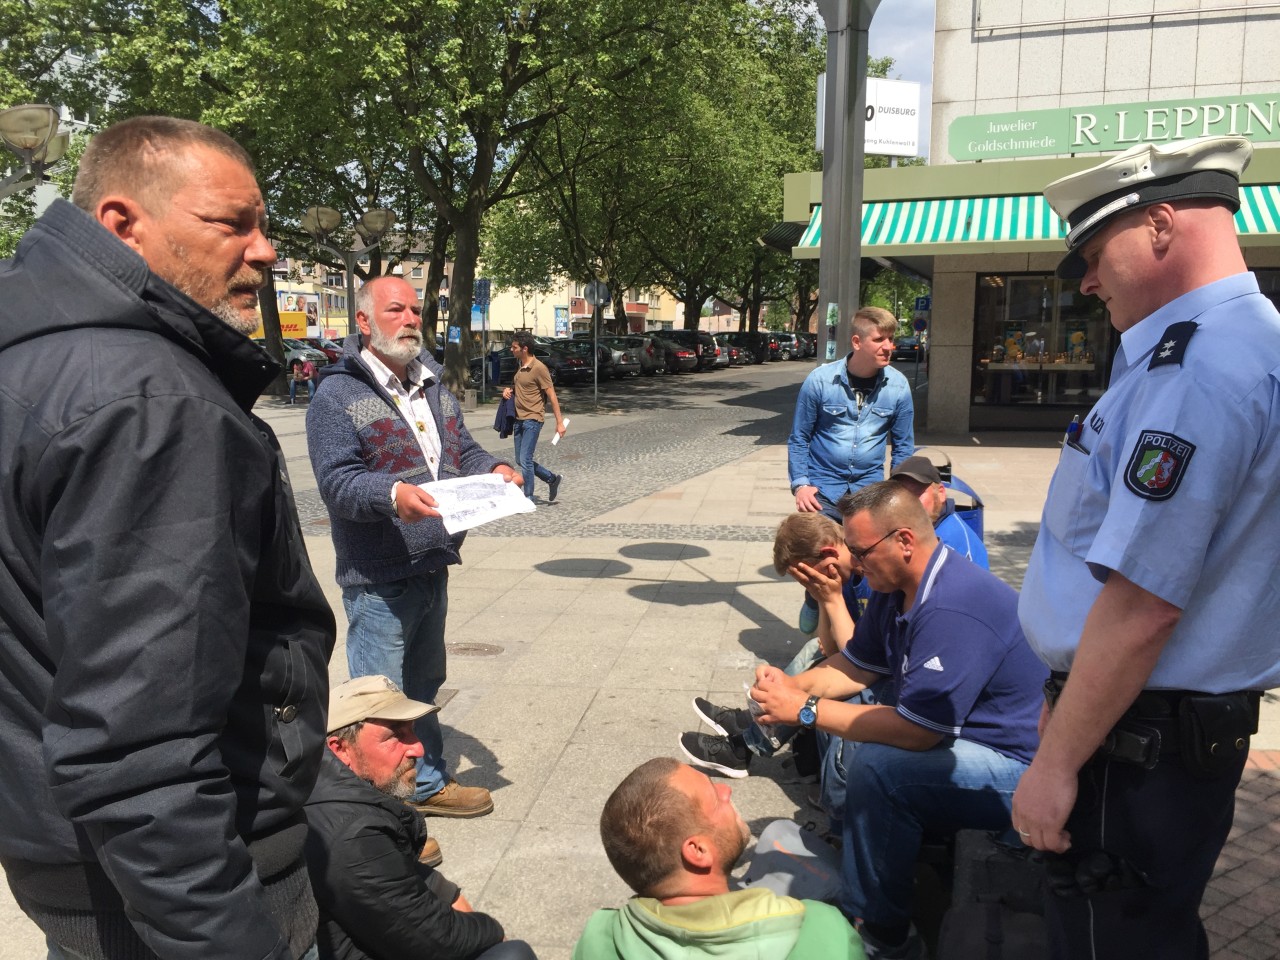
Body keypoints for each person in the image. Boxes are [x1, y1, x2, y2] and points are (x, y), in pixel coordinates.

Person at [0, 116, 336, 959]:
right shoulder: (152, 402)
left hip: (67, 846)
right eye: (234, 224)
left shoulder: (31, 358)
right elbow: (140, 738)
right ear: (122, 223)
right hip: (185, 871)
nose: (264, 252)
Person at [1012, 135, 1280, 960]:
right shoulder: (1237, 344)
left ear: (1161, 223)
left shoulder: (1198, 371)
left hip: (1134, 750)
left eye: (1096, 252)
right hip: (1148, 733)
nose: (1087, 281)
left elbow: (1141, 604)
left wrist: (1055, 767)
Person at [750, 483, 1044, 960]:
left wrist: (805, 711)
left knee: (880, 767)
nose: (855, 565)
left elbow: (918, 732)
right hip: (968, 738)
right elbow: (857, 665)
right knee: (871, 753)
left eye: (861, 552)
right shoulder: (898, 585)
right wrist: (792, 687)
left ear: (904, 541)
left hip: (1020, 768)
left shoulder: (952, 605)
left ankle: (882, 934)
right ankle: (873, 874)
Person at [307, 275, 518, 819]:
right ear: (363, 322)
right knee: (378, 707)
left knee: (423, 685)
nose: (408, 320)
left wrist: (493, 469)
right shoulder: (337, 394)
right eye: (395, 309)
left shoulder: (432, 384)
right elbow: (336, 482)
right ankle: (377, 823)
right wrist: (392, 493)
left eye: (415, 310)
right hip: (378, 575)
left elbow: (462, 452)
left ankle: (425, 786)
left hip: (432, 564)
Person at [681, 465, 990, 778]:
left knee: (817, 664)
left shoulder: (884, 573)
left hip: (919, 690)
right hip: (892, 669)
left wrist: (831, 601)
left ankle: (746, 741)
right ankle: (754, 723)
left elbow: (862, 661)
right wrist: (823, 599)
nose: (857, 560)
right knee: (812, 652)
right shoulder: (869, 569)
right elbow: (846, 651)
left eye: (806, 575)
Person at [305, 676, 536, 960]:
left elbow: (397, 880)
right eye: (395, 736)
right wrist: (493, 930)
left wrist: (444, 891)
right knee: (512, 955)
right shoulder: (351, 834)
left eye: (412, 732)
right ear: (340, 748)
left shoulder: (332, 790)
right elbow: (437, 941)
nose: (417, 749)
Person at [573, 757, 865, 960]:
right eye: (714, 796)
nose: (726, 791)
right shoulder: (821, 931)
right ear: (698, 851)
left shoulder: (598, 939)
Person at [787, 305, 914, 522]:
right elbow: (799, 437)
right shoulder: (821, 380)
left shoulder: (898, 386)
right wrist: (801, 484)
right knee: (824, 553)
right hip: (822, 493)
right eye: (879, 339)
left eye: (890, 339)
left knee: (863, 555)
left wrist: (897, 491)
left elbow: (903, 446)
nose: (888, 346)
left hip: (869, 494)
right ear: (857, 342)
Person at [887, 455, 987, 567]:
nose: (910, 502)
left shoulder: (946, 546)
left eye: (917, 493)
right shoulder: (924, 528)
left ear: (941, 493)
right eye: (903, 495)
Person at [501, 332, 565, 502]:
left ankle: (528, 496)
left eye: (514, 347)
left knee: (525, 459)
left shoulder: (539, 368)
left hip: (533, 419)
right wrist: (509, 391)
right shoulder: (521, 366)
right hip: (519, 418)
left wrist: (559, 423)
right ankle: (551, 479)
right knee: (520, 459)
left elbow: (552, 395)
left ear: (525, 348)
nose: (511, 349)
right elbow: (522, 388)